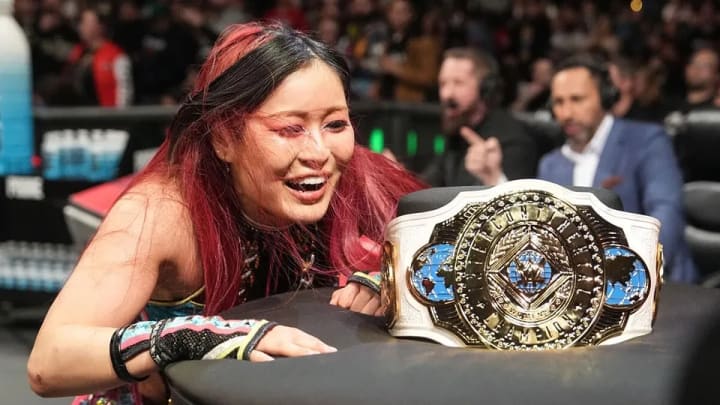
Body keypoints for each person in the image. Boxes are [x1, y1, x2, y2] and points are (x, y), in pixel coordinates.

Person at [27, 22, 425, 404]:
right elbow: (48, 362)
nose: (319, 152)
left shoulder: (354, 173)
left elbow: (456, 247)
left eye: (335, 124)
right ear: (223, 138)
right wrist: (197, 337)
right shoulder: (160, 213)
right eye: (290, 129)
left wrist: (395, 282)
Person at [538, 55, 697, 283]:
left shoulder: (647, 141)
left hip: (652, 282)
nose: (566, 113)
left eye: (577, 99)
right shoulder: (550, 164)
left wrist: (629, 277)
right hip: (580, 290)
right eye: (558, 102)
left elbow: (666, 213)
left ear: (605, 98)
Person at [421, 47, 538, 187]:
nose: (446, 94)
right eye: (443, 83)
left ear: (486, 89)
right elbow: (428, 185)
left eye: (458, 83)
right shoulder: (458, 132)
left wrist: (494, 178)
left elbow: (519, 199)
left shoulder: (514, 141)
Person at [63, 7, 133, 107]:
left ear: (101, 26)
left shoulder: (116, 55)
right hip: (78, 110)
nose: (81, 27)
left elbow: (124, 92)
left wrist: (120, 114)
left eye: (85, 23)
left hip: (106, 112)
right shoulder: (77, 52)